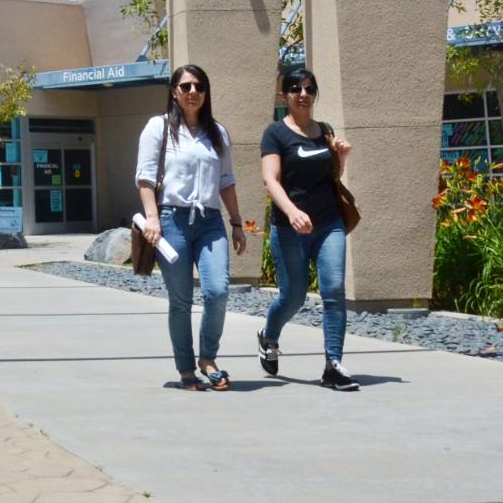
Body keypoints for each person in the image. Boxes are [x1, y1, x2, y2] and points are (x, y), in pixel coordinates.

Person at [135, 64, 248, 391]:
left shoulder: (218, 133)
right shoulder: (159, 128)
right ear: (174, 92)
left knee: (217, 291)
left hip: (210, 221)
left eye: (199, 86)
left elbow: (226, 182)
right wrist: (153, 218)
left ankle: (207, 357)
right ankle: (186, 369)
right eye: (185, 86)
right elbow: (144, 177)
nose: (193, 92)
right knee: (181, 300)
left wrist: (237, 223)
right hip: (172, 220)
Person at [255, 65, 358, 391]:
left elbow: (332, 178)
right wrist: (292, 211)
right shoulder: (275, 134)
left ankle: (333, 365)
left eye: (309, 89)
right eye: (296, 89)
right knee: (293, 297)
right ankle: (268, 336)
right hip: (289, 228)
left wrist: (340, 157)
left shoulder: (324, 130)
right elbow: (270, 179)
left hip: (329, 224)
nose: (303, 95)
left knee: (333, 292)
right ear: (284, 95)